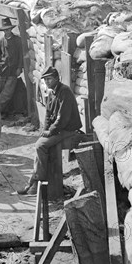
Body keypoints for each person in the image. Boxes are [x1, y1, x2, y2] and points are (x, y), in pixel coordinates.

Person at [18, 66, 82, 195]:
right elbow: (48, 114)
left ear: (57, 79)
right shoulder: (52, 92)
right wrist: (45, 129)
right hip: (58, 130)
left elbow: (62, 118)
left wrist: (50, 131)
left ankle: (37, 181)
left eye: (50, 79)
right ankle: (34, 182)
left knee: (40, 145)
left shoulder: (65, 92)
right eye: (45, 80)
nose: (47, 82)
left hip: (68, 130)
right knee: (40, 144)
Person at [0, 17, 23, 117]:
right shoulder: (1, 41)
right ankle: (3, 112)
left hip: (13, 71)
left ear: (11, 29)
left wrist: (19, 68)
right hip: (2, 70)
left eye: (8, 29)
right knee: (1, 91)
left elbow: (21, 55)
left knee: (7, 93)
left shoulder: (17, 40)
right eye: (5, 30)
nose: (7, 31)